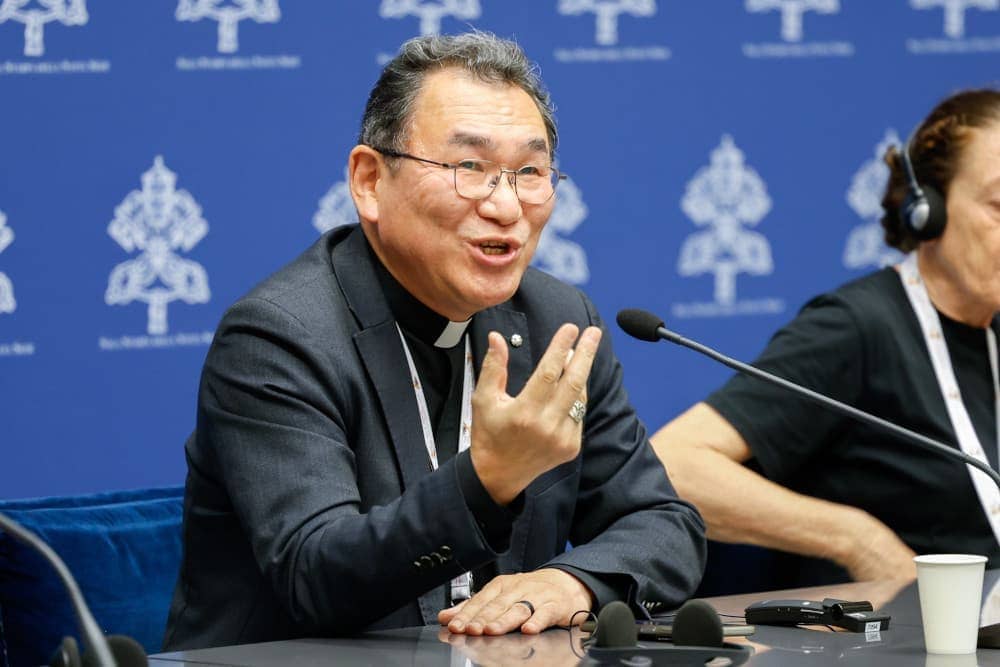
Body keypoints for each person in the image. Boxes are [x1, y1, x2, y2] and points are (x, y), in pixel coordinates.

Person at [163, 32, 706, 650]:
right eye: (470, 168)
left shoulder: (558, 322)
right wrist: (488, 480)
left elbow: (665, 525)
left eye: (530, 172)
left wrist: (573, 582)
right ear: (370, 180)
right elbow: (316, 577)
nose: (506, 207)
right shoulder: (280, 335)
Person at [652, 88, 1000, 586]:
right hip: (898, 629)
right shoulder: (858, 327)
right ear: (928, 210)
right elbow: (675, 463)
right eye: (998, 205)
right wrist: (856, 539)